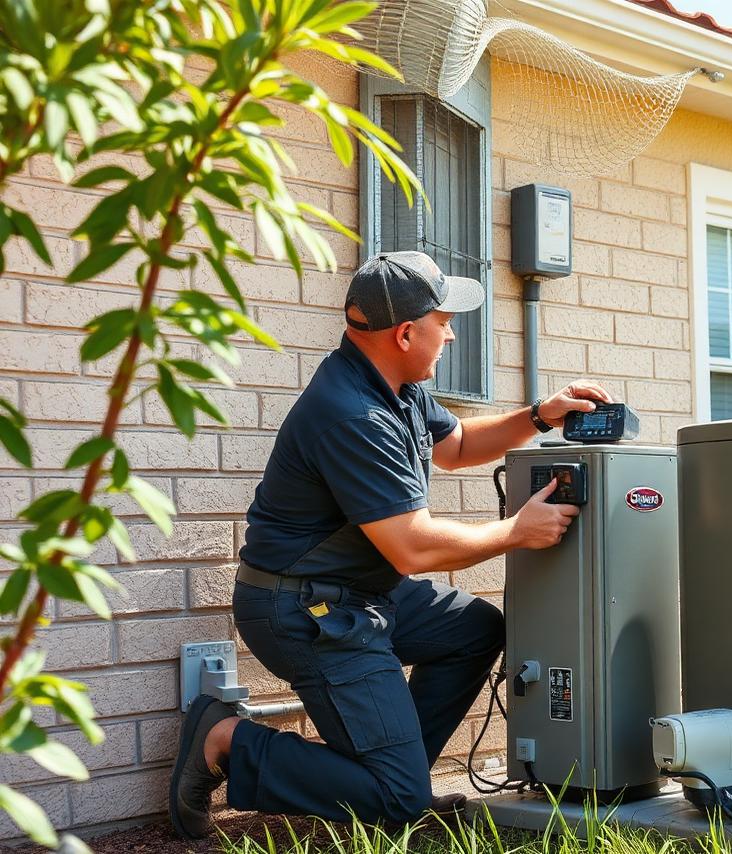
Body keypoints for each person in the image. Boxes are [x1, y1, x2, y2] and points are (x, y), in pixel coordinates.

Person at [168, 251, 612, 839]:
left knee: (474, 629)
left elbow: (455, 447)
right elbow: (413, 549)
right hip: (303, 610)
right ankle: (228, 739)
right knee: (399, 798)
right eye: (444, 322)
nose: (451, 336)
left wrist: (540, 415)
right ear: (406, 333)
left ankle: (386, 782)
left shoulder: (390, 384)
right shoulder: (352, 414)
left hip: (359, 594)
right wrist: (516, 532)